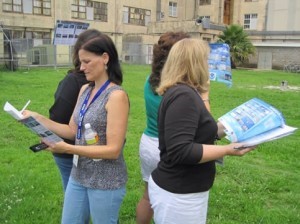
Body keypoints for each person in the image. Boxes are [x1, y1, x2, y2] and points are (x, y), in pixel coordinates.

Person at [23, 30, 129, 224]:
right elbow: (72, 130)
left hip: (105, 181)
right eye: (81, 62)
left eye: (87, 61)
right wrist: (38, 118)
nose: (81, 68)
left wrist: (67, 148)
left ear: (105, 58)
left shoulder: (116, 96)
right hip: (79, 174)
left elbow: (114, 150)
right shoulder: (84, 90)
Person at [148, 38, 255, 224]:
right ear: (195, 63)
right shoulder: (184, 96)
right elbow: (181, 150)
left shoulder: (183, 92)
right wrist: (228, 150)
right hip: (179, 194)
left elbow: (200, 132)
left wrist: (235, 125)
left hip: (182, 190)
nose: (209, 65)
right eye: (206, 60)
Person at [136, 31, 193, 224]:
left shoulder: (149, 80)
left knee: (148, 195)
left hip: (148, 144)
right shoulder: (178, 88)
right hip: (169, 148)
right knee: (172, 200)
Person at [49, 29, 102, 192]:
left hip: (97, 154)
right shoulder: (75, 83)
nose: (85, 67)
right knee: (76, 204)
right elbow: (61, 121)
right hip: (70, 155)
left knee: (98, 201)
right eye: (84, 60)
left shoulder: (110, 88)